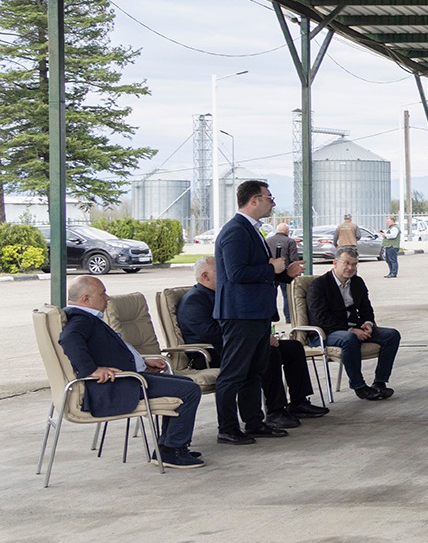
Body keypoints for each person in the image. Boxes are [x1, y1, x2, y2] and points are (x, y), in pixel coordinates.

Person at [59, 276, 205, 469]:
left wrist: (142, 362)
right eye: (102, 293)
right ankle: (172, 450)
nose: (107, 298)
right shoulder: (81, 319)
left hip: (129, 376)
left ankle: (167, 448)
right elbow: (69, 340)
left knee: (186, 384)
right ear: (86, 299)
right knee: (189, 391)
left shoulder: (85, 317)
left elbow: (106, 351)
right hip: (121, 383)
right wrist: (91, 370)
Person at [178, 257, 323, 421]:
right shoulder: (194, 300)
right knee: (267, 353)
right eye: (219, 271)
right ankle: (276, 410)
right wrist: (255, 339)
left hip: (239, 344)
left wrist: (260, 335)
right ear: (205, 276)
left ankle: (299, 402)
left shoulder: (223, 294)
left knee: (293, 348)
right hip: (212, 353)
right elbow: (213, 333)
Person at [213, 179, 300, 445]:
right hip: (240, 314)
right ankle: (227, 427)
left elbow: (258, 273)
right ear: (253, 200)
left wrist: (284, 274)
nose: (272, 203)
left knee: (253, 371)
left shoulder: (252, 230)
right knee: (234, 373)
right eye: (269, 198)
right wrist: (272, 268)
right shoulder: (236, 231)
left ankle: (253, 421)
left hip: (256, 313)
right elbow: (236, 273)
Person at [306, 246, 402, 400]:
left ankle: (380, 382)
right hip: (325, 332)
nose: (350, 268)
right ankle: (359, 386)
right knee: (348, 339)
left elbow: (366, 308)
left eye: (354, 264)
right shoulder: (319, 285)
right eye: (346, 263)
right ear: (335, 263)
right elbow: (321, 318)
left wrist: (368, 324)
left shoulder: (357, 282)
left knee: (392, 335)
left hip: (354, 327)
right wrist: (350, 330)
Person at [266, 219, 301, 320]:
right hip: (286, 273)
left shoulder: (267, 241)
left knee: (272, 294)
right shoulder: (290, 241)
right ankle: (288, 317)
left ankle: (271, 316)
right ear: (287, 231)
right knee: (287, 296)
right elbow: (294, 259)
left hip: (271, 272)